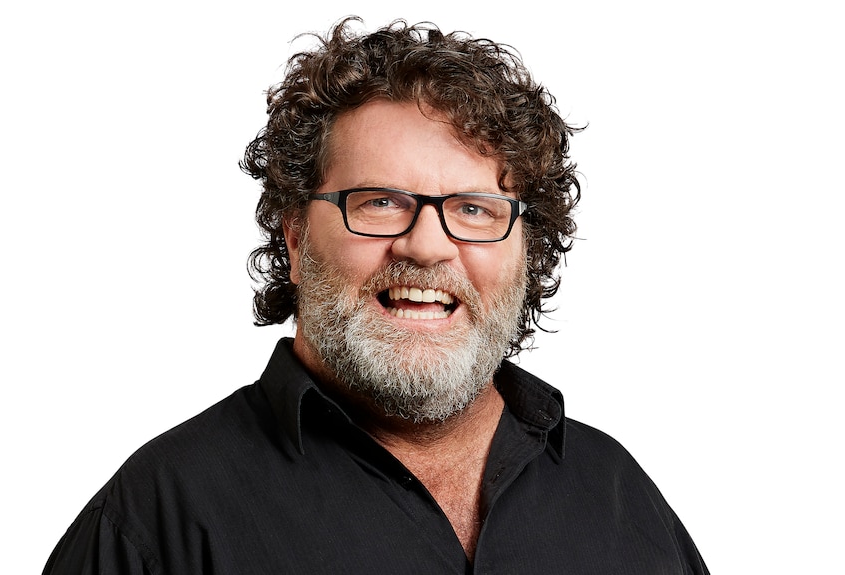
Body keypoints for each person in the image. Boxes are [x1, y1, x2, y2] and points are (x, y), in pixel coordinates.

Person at [44, 18, 709, 574]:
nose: (426, 245)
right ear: (297, 238)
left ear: (526, 249)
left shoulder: (620, 500)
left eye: (474, 209)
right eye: (381, 202)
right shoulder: (156, 523)